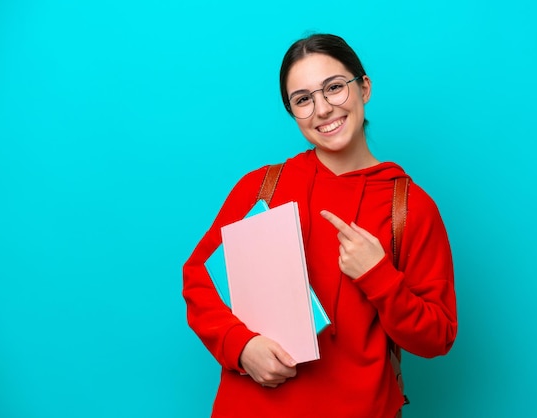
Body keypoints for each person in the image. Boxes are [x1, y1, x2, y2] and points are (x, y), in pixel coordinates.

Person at [183, 33, 457, 418]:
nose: (323, 109)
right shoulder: (261, 187)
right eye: (303, 99)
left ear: (364, 88)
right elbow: (200, 280)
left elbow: (436, 336)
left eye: (334, 88)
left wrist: (377, 276)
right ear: (292, 112)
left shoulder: (410, 208)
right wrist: (240, 346)